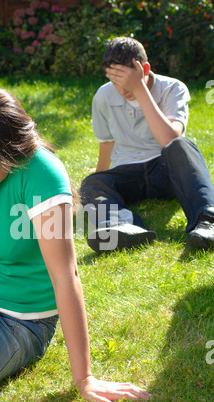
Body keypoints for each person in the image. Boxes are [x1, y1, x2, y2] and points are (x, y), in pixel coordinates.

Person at [0, 86, 150, 402]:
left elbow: (65, 276)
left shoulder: (42, 175)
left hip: (21, 320)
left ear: (17, 152)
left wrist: (85, 378)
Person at [80, 37, 214, 253]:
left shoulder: (172, 88)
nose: (122, 90)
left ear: (145, 69)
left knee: (181, 146)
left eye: (126, 81)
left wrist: (139, 89)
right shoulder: (103, 96)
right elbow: (107, 143)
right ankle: (122, 226)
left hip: (166, 170)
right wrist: (99, 176)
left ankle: (207, 220)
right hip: (129, 172)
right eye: (116, 82)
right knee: (91, 183)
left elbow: (170, 140)